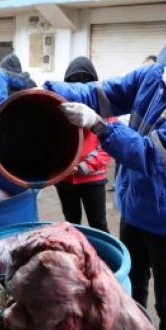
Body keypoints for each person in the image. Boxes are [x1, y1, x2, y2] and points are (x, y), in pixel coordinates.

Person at [43, 18, 166, 330]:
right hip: (135, 207)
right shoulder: (154, 75)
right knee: (132, 288)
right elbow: (101, 93)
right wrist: (49, 90)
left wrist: (99, 126)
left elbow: (152, 155)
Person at [55, 56, 112, 233]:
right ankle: (77, 257)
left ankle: (105, 259)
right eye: (73, 81)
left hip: (92, 178)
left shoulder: (104, 107)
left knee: (98, 224)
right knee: (72, 225)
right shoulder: (59, 107)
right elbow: (50, 142)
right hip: (65, 179)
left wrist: (84, 167)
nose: (80, 85)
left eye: (86, 81)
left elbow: (109, 143)